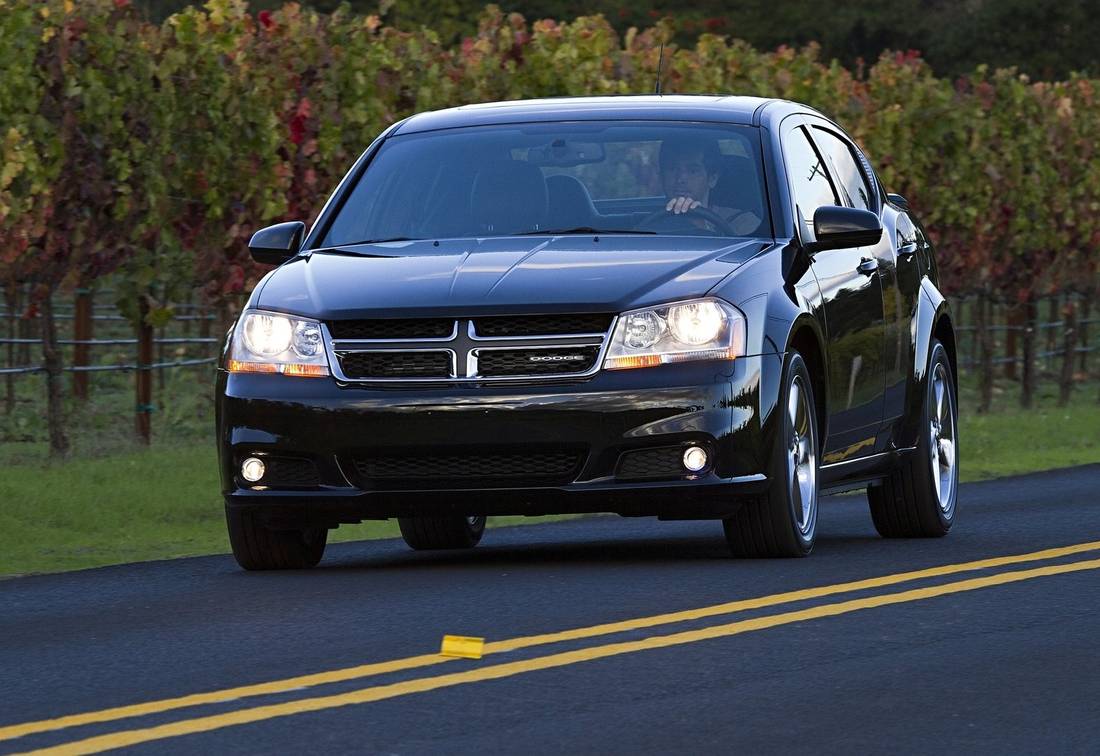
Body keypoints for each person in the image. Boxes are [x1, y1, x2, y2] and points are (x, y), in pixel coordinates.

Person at [658, 139, 761, 235]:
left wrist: (700, 227)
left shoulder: (743, 222)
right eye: (672, 169)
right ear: (662, 176)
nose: (680, 179)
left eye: (693, 171)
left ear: (712, 178)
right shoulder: (645, 223)